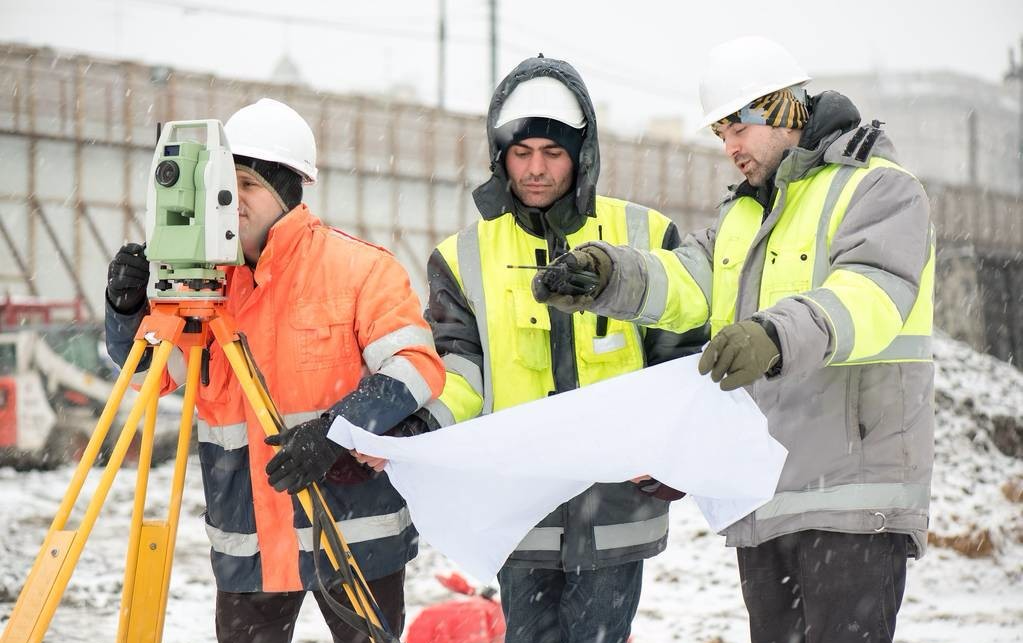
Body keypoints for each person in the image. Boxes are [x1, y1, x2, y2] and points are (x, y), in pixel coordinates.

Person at [535, 36, 935, 643]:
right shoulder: (745, 212)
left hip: (854, 493)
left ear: (780, 107)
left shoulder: (880, 189)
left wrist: (774, 333)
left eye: (737, 128)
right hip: (765, 492)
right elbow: (688, 280)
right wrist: (610, 275)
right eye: (721, 135)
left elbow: (870, 296)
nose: (730, 150)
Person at [104, 97, 445, 643]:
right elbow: (151, 376)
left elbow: (415, 367)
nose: (230, 200)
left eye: (247, 184)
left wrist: (335, 433)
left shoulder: (360, 270)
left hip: (352, 531)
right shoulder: (203, 287)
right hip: (248, 539)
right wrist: (128, 312)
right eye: (222, 183)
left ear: (290, 191)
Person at [406, 55, 696, 643]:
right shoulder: (461, 257)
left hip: (617, 501)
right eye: (522, 152)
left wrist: (678, 452)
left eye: (553, 153)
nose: (536, 169)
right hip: (520, 504)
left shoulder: (647, 236)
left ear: (581, 155)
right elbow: (460, 370)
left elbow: (683, 356)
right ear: (500, 156)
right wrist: (418, 427)